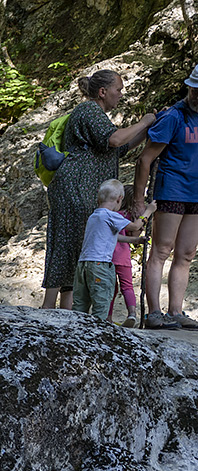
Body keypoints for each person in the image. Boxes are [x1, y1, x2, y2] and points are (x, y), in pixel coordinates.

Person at [42, 70, 155, 312]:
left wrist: (145, 131)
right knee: (66, 244)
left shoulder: (97, 116)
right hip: (74, 188)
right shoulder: (89, 111)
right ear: (102, 92)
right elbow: (114, 140)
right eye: (119, 89)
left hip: (82, 188)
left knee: (79, 244)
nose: (121, 95)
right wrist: (143, 122)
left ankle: (67, 309)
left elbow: (117, 148)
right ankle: (48, 306)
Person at [133, 65, 198, 329]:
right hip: (171, 190)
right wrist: (139, 200)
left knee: (186, 254)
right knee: (162, 250)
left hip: (196, 194)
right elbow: (144, 159)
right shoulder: (173, 116)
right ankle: (154, 313)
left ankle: (176, 311)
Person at [74, 179, 154, 321]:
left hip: (83, 265)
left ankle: (78, 329)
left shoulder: (94, 216)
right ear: (119, 199)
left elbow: (113, 237)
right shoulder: (112, 215)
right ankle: (98, 332)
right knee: (101, 301)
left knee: (80, 303)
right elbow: (135, 227)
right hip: (100, 265)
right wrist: (148, 211)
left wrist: (135, 241)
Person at [111, 186, 141, 326]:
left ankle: (108, 316)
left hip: (109, 257)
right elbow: (135, 235)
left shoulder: (111, 215)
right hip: (123, 257)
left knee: (111, 287)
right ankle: (132, 313)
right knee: (127, 286)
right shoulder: (130, 218)